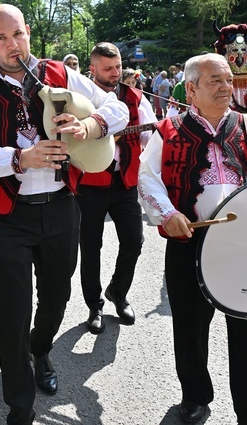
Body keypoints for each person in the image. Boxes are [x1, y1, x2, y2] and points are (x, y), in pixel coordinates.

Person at [0, 4, 128, 424]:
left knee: (56, 297)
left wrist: (92, 126)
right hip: (6, 217)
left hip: (61, 207)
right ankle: (20, 403)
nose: (11, 46)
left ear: (27, 32)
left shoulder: (60, 74)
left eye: (17, 35)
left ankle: (41, 350)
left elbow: (117, 108)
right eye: (0, 39)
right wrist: (21, 158)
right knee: (14, 310)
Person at [138, 53, 247, 425]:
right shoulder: (167, 131)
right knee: (189, 326)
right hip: (191, 244)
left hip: (245, 247)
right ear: (191, 89)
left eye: (228, 80)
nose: (227, 87)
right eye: (215, 81)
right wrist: (168, 215)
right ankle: (195, 396)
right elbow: (146, 178)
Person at [78, 43, 155, 334]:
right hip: (89, 185)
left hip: (123, 183)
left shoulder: (135, 96)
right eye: (108, 68)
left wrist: (152, 132)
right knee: (91, 248)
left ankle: (118, 292)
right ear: (93, 69)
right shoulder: (81, 96)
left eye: (118, 67)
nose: (115, 73)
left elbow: (149, 135)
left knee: (134, 241)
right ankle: (94, 304)